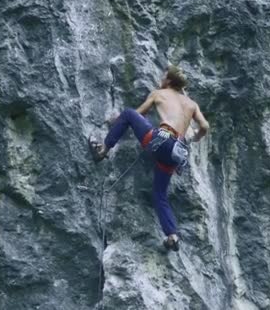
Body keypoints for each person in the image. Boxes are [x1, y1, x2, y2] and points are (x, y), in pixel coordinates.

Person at [89, 65, 210, 251]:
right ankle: (172, 235)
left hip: (160, 141)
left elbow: (139, 114)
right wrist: (193, 136)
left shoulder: (159, 93)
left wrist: (117, 120)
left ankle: (103, 151)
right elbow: (205, 126)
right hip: (176, 153)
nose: (161, 78)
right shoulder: (191, 104)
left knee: (129, 114)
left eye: (164, 76)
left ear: (168, 81)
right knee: (160, 195)